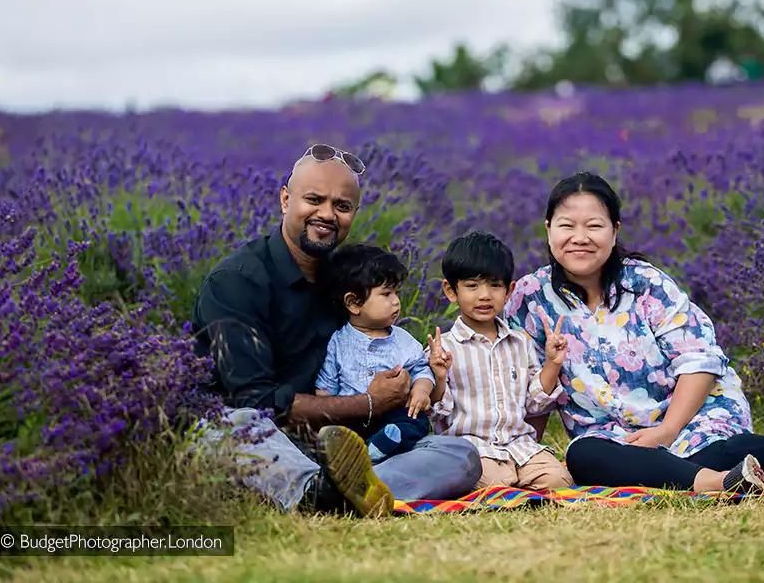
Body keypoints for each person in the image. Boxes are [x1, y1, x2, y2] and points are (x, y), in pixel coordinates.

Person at [503, 171, 764, 493]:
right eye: (567, 225)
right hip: (609, 436)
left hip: (689, 415)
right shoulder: (529, 298)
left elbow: (698, 358)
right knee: (584, 458)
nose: (580, 237)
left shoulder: (645, 284)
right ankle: (718, 482)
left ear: (615, 230)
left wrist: (667, 430)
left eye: (594, 225)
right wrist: (526, 451)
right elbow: (524, 383)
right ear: (548, 229)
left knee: (709, 454)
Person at [191, 143, 481, 518]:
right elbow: (256, 402)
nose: (327, 214)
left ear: (353, 213)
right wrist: (370, 403)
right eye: (314, 199)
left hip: (345, 443)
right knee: (229, 425)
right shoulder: (237, 282)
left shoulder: (346, 279)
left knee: (460, 455)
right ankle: (329, 490)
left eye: (342, 206)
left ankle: (335, 491)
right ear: (285, 199)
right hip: (267, 438)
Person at [425, 231, 575, 492]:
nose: (485, 295)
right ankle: (510, 483)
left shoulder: (520, 343)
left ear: (509, 291)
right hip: (472, 448)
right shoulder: (445, 348)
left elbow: (535, 402)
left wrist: (552, 363)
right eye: (472, 286)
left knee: (559, 481)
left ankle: (519, 479)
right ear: (451, 291)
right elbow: (436, 411)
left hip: (520, 445)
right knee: (491, 482)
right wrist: (438, 376)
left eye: (495, 285)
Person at [315, 243, 438, 464]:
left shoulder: (402, 340)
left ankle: (375, 451)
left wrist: (421, 391)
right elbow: (326, 387)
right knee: (337, 432)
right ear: (353, 303)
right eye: (386, 294)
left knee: (414, 420)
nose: (396, 301)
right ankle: (360, 453)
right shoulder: (338, 342)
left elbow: (422, 369)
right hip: (354, 415)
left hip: (393, 415)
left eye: (396, 293)